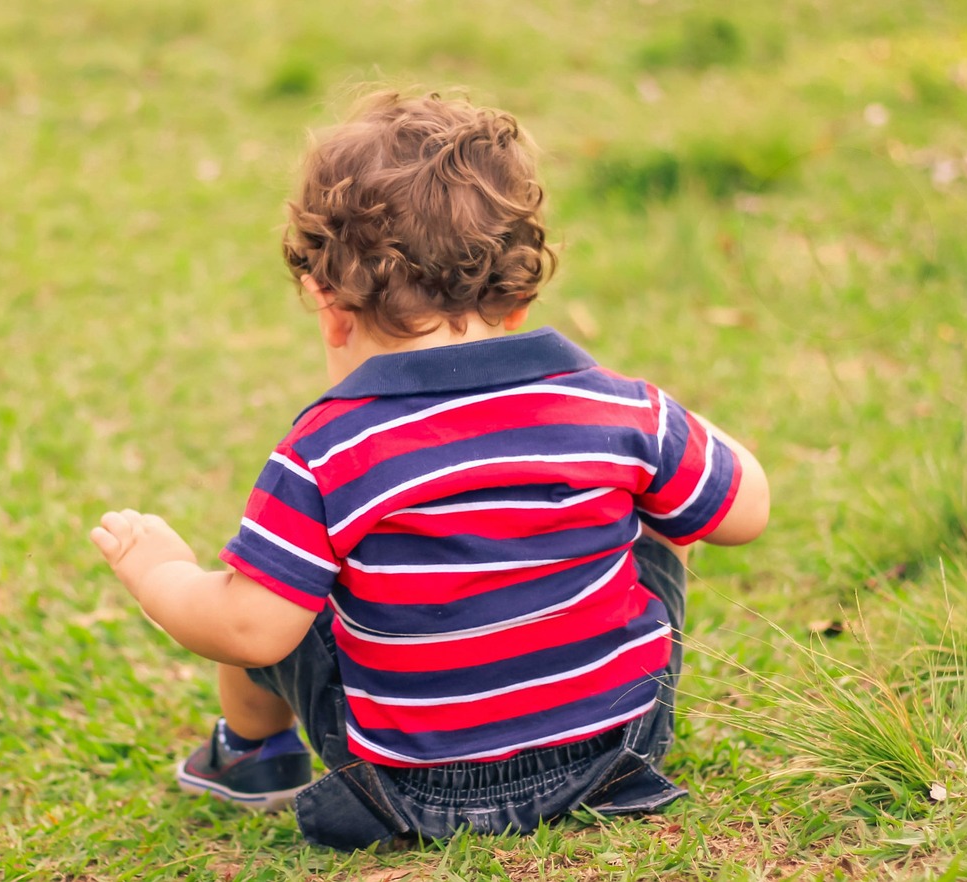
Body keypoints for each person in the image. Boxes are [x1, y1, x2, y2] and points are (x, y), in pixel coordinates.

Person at [89, 91, 769, 851]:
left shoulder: (326, 449)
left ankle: (252, 757)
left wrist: (161, 574)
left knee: (275, 589)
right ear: (519, 294)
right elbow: (744, 514)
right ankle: (585, 691)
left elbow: (250, 630)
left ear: (328, 304)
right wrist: (669, 422)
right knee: (659, 518)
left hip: (413, 787)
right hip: (617, 753)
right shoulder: (615, 408)